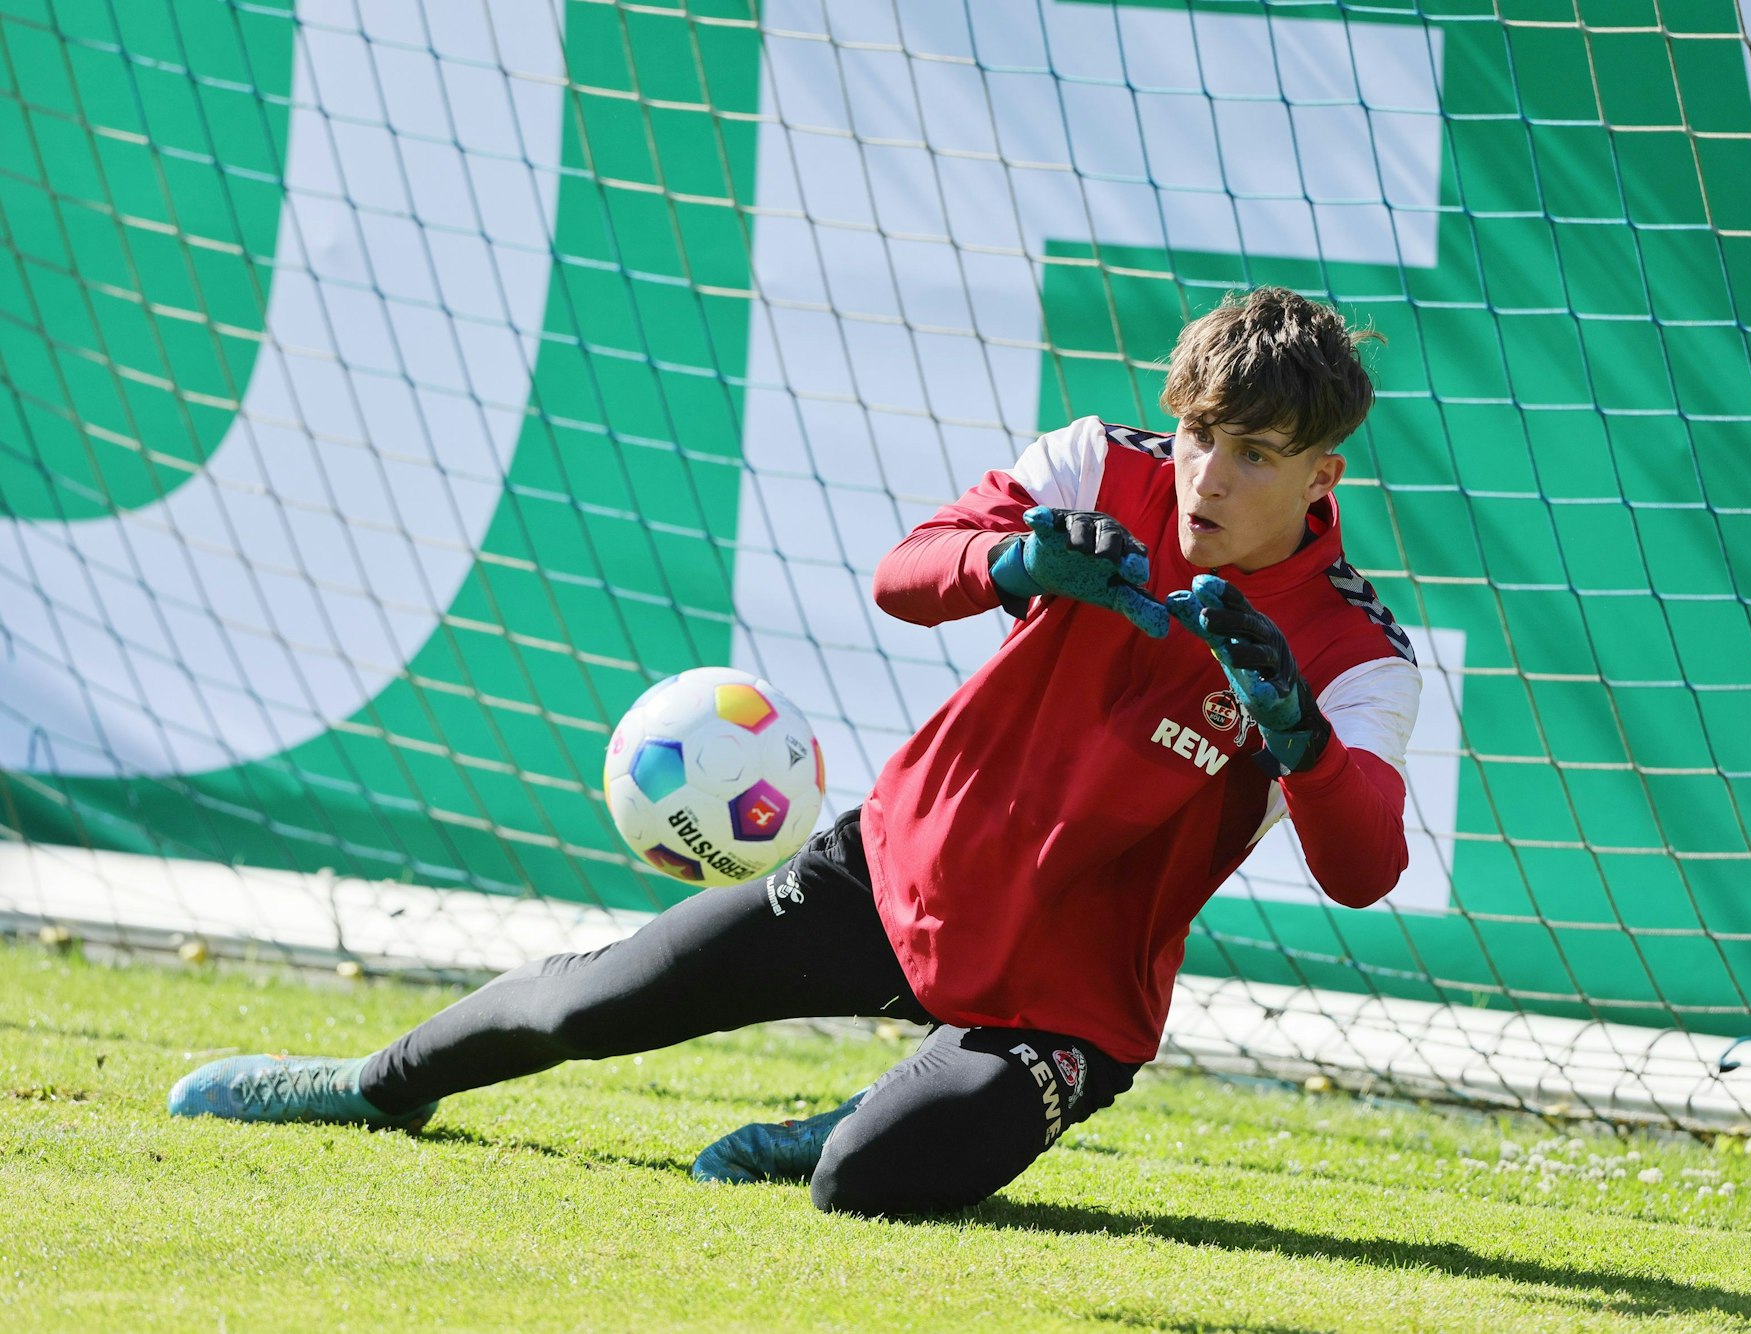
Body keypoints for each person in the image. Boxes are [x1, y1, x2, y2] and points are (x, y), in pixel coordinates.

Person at [169, 286, 1421, 1217]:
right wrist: (1012, 561)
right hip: (890, 876)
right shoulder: (1098, 464)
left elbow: (1361, 866)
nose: (1205, 473)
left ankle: (856, 1117)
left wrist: (1296, 736)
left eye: (1252, 454)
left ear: (1322, 474)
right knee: (584, 1003)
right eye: (1199, 431)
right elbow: (902, 574)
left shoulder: (1356, 652)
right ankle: (366, 1083)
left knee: (862, 1182)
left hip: (1068, 1000)